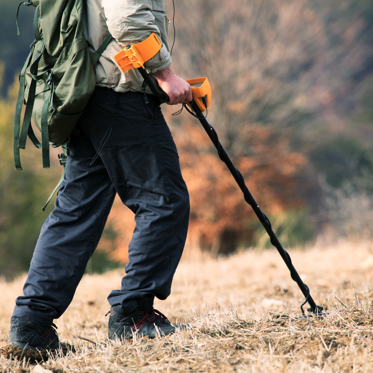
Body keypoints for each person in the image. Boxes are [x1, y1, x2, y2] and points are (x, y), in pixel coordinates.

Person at [9, 0, 192, 352]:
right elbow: (127, 16)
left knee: (76, 212)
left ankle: (32, 325)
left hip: (88, 95)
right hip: (118, 93)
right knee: (164, 200)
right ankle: (133, 315)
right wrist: (164, 73)